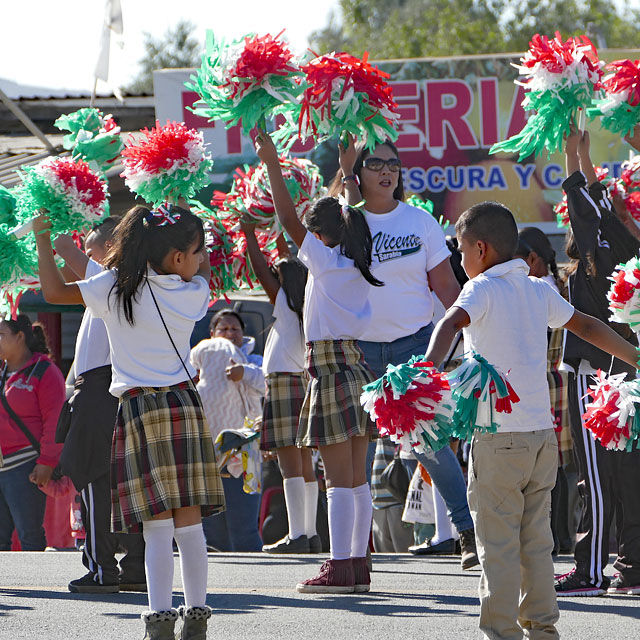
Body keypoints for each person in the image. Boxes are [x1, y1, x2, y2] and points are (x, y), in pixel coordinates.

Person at [424, 200, 639, 639]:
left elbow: (449, 324)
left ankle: (502, 633)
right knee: (536, 544)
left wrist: (423, 374)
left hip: (497, 440)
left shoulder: (479, 288)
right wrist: (636, 355)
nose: (462, 262)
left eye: (462, 252)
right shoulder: (539, 288)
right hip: (541, 438)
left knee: (498, 546)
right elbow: (590, 327)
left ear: (481, 249)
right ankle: (542, 630)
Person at [32, 204, 224, 640]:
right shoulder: (190, 293)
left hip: (136, 411)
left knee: (155, 524)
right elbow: (201, 272)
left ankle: (158, 618)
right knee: (189, 524)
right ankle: (196, 615)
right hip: (182, 407)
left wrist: (47, 240)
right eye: (196, 250)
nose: (198, 259)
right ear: (177, 258)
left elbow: (54, 290)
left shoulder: (114, 289)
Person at [332, 136, 478, 569]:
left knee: (433, 444)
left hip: (412, 349)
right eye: (374, 163)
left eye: (392, 163)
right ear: (358, 172)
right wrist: (341, 173)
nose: (386, 170)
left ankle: (467, 533)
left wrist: (462, 345)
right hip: (355, 352)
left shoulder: (421, 223)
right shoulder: (344, 222)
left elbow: (450, 292)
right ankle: (352, 554)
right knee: (351, 453)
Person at [255, 129, 381, 594]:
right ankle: (358, 567)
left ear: (322, 237)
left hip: (329, 372)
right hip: (357, 370)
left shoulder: (326, 263)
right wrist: (347, 174)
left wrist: (271, 163)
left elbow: (288, 218)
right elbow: (348, 215)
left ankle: (340, 567)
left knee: (338, 482)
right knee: (355, 479)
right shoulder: (357, 262)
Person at [555, 129, 640, 597]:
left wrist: (572, 152)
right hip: (627, 370)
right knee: (626, 472)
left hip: (598, 375)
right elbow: (594, 201)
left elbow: (583, 201)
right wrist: (585, 155)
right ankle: (629, 564)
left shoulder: (601, 253)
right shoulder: (627, 248)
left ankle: (589, 567)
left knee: (595, 476)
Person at [53, 218, 146, 594]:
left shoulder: (114, 279)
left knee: (93, 479)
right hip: (115, 388)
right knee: (124, 483)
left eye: (91, 251)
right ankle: (136, 566)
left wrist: (52, 235)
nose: (85, 260)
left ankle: (102, 568)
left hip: (101, 390)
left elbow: (62, 266)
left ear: (109, 249)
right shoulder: (124, 285)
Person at [239, 222, 321, 554]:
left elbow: (260, 267)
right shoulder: (308, 300)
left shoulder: (285, 303)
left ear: (283, 282)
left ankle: (298, 535)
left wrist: (248, 235)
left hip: (286, 383)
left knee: (289, 463)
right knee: (306, 463)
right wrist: (277, 230)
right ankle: (310, 533)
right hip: (303, 381)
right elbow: (287, 262)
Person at [514, 228, 575, 556]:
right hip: (558, 383)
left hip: (548, 383)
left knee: (552, 468)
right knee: (560, 466)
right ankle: (560, 537)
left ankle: (556, 537)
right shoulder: (559, 286)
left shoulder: (541, 289)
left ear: (533, 259)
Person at [191, 308, 264, 552]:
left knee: (245, 526)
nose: (230, 333)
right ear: (212, 333)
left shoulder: (254, 361)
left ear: (244, 335)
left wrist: (246, 374)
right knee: (212, 530)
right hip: (208, 454)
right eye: (224, 329)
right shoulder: (197, 364)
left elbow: (270, 382)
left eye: (235, 329)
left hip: (245, 452)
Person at [0, 315, 65, 551]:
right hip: (1, 465)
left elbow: (54, 420)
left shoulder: (44, 371)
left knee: (30, 536)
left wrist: (47, 461)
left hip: (27, 467)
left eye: (1, 335)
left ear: (20, 337)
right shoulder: (3, 373)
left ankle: (37, 587)